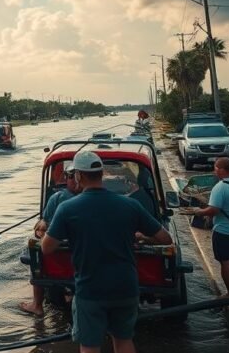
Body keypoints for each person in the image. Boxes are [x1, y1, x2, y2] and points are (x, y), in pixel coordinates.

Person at [43, 151, 171, 353]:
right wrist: (142, 236)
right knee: (123, 340)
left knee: (90, 346)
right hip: (126, 287)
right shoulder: (131, 205)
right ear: (101, 173)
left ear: (78, 175)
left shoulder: (67, 209)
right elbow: (165, 239)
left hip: (90, 289)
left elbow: (47, 247)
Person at [180, 157, 229, 297]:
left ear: (222, 170)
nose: (214, 172)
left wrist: (198, 211)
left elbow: (213, 210)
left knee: (226, 262)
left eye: (215, 168)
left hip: (225, 232)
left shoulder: (220, 187)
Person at [19, 168, 82, 316]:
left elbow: (42, 229)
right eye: (70, 176)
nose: (73, 179)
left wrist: (41, 230)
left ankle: (37, 304)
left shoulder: (58, 198)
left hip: (58, 261)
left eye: (74, 176)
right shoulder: (98, 200)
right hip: (83, 259)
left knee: (35, 247)